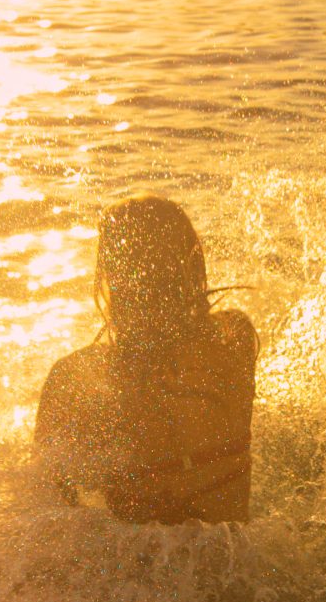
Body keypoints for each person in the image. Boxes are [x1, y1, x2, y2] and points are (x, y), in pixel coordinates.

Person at [35, 195, 256, 522]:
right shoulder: (233, 340)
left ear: (111, 278)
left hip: (138, 566)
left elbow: (47, 506)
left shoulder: (77, 378)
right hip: (233, 559)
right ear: (191, 267)